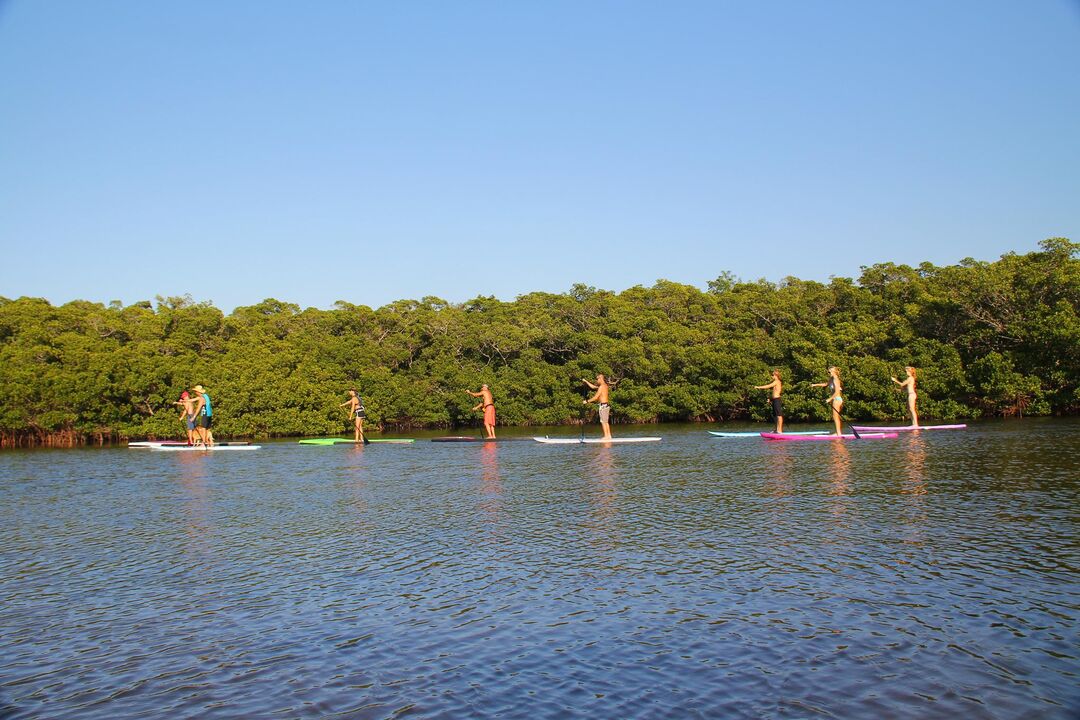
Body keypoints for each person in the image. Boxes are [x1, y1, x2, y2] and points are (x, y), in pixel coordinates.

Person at [811, 367, 844, 436]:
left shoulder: (836, 379)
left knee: (835, 416)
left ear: (834, 372)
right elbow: (826, 384)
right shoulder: (831, 379)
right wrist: (815, 385)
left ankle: (838, 433)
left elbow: (837, 391)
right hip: (835, 399)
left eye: (830, 372)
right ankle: (838, 432)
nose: (829, 373)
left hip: (837, 399)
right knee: (835, 416)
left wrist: (830, 399)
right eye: (828, 372)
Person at [582, 374, 613, 440]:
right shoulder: (605, 386)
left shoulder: (602, 387)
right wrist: (586, 381)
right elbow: (593, 387)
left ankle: (606, 436)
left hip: (603, 406)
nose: (597, 380)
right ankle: (608, 435)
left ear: (601, 378)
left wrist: (587, 401)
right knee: (605, 421)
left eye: (597, 379)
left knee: (603, 421)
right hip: (606, 405)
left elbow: (595, 397)